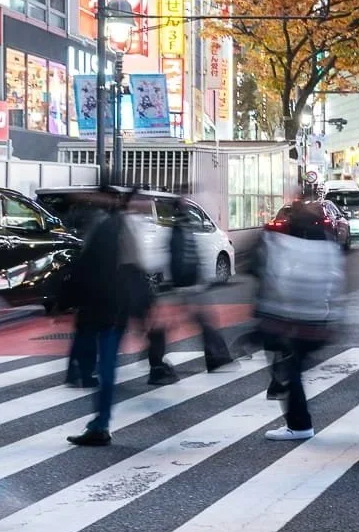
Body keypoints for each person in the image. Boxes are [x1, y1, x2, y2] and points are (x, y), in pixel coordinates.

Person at [252, 197, 346, 441]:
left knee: (290, 369)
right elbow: (334, 282)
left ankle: (299, 424)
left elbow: (275, 281)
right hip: (319, 321)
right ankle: (285, 394)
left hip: (292, 322)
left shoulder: (283, 246)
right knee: (292, 366)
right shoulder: (327, 246)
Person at [66, 189, 143, 447]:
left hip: (108, 309)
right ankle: (99, 422)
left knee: (106, 367)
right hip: (101, 308)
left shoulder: (116, 227)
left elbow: (132, 270)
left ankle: (100, 425)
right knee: (103, 365)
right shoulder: (109, 225)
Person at [145, 197, 234, 385]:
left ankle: (157, 365)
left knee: (168, 325)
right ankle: (216, 359)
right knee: (201, 322)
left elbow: (170, 257)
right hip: (186, 286)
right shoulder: (183, 229)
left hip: (178, 285)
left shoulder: (175, 229)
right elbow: (188, 257)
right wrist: (194, 282)